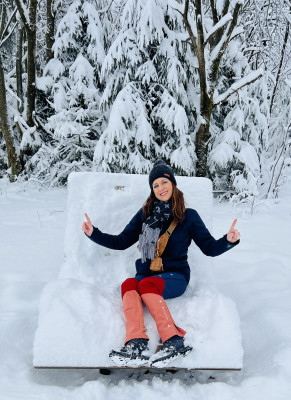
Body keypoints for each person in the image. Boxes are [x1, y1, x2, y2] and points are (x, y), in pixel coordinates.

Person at [82, 160, 240, 367]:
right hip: (147, 276)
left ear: (173, 184)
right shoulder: (144, 215)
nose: (160, 188)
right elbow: (121, 242)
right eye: (155, 185)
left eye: (164, 182)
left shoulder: (188, 217)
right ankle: (136, 343)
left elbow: (209, 248)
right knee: (129, 284)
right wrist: (94, 234)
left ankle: (174, 340)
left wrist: (229, 240)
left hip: (175, 277)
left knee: (146, 284)